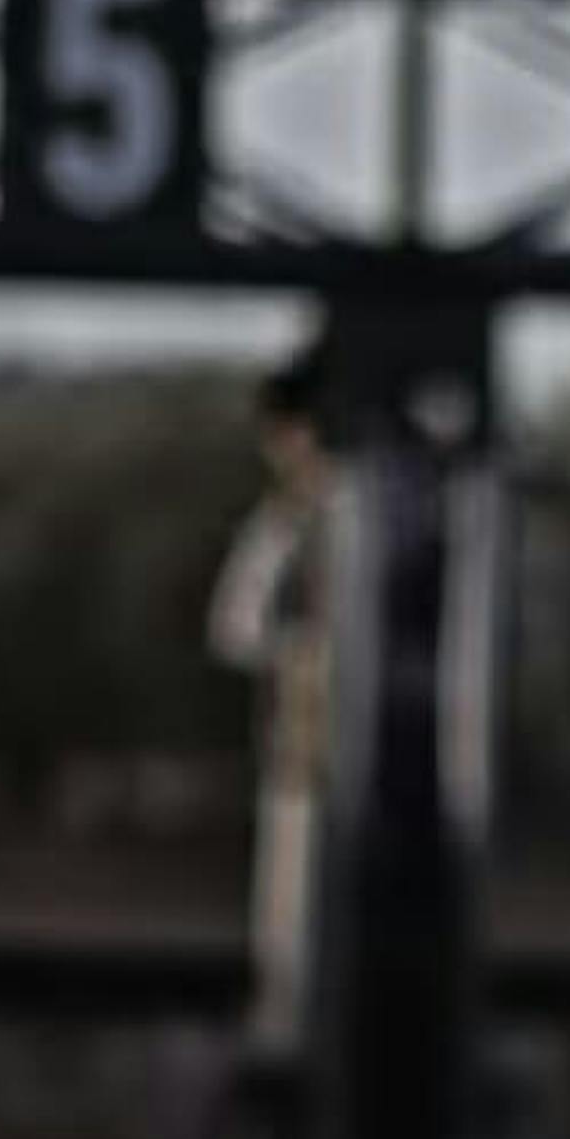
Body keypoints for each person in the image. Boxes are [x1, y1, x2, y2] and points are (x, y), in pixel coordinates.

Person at [207, 351, 339, 1066]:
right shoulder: (286, 523)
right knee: (291, 951)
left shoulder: (345, 512)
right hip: (304, 767)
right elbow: (238, 628)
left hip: (366, 780)